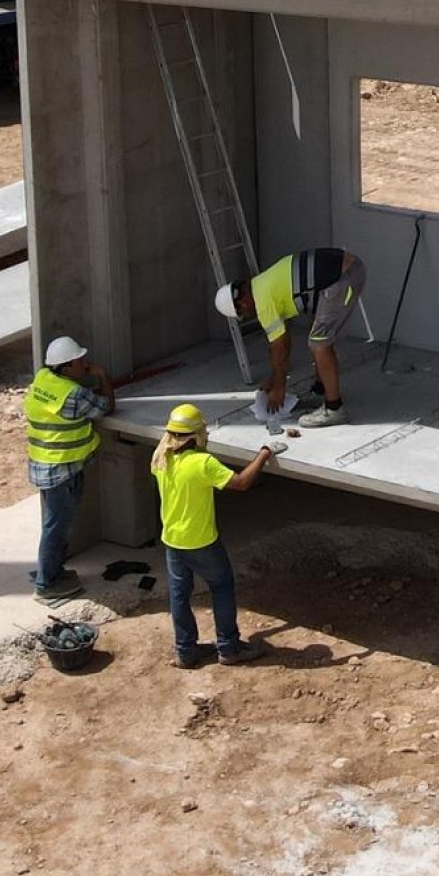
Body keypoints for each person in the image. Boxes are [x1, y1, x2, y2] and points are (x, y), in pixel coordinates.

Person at [151, 403, 274, 669]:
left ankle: (185, 651)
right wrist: (263, 454)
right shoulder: (202, 463)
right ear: (196, 435)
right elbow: (241, 483)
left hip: (172, 540)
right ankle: (229, 648)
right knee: (221, 586)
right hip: (201, 540)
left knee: (179, 595)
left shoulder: (162, 457)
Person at [217, 246, 366, 428]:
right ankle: (320, 390)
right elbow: (281, 342)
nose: (248, 316)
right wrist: (274, 378)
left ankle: (334, 409)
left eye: (242, 314)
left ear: (242, 302)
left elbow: (280, 347)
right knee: (316, 330)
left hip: (344, 278)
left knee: (319, 343)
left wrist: (279, 387)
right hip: (346, 270)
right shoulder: (262, 284)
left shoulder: (262, 302)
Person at [24, 335, 111, 604]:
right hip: (62, 470)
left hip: (43, 465)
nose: (84, 364)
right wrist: (102, 377)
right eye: (79, 361)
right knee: (56, 528)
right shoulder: (72, 394)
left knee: (54, 524)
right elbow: (106, 407)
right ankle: (46, 583)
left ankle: (52, 571)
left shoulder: (43, 379)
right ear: (65, 367)